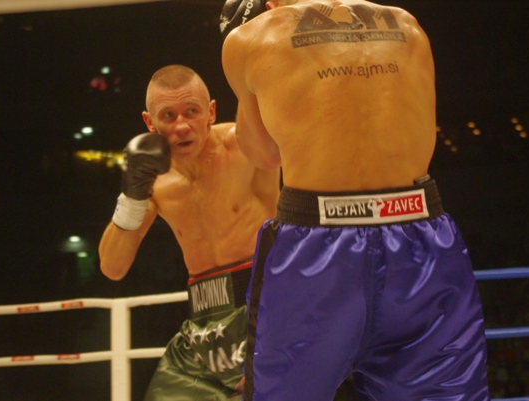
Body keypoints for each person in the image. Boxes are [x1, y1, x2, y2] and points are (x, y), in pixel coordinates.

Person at [220, 1, 491, 400]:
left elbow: (263, 156)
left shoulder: (253, 35)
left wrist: (248, 88)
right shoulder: (408, 25)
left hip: (317, 248)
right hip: (421, 238)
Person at [98, 64, 280, 400]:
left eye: (191, 111)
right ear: (149, 123)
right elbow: (113, 267)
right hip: (203, 327)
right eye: (168, 116)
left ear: (211, 112)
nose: (181, 126)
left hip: (266, 309)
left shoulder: (246, 146)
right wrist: (131, 196)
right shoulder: (153, 182)